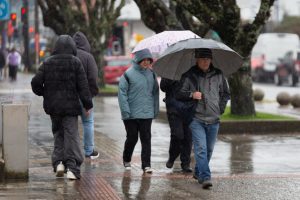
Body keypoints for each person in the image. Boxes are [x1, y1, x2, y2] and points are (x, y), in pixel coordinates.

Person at [31, 35, 93, 180]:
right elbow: (83, 87)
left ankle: (59, 163)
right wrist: (87, 104)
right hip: (71, 107)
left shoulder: (47, 62)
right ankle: (72, 168)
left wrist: (45, 93)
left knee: (58, 134)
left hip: (53, 107)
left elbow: (35, 83)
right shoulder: (76, 62)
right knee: (71, 136)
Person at [176, 48, 230, 189]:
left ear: (211, 60)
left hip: (214, 119)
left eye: (208, 59)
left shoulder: (218, 74)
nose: (205, 61)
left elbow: (225, 93)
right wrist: (192, 95)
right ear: (197, 60)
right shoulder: (189, 75)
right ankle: (206, 177)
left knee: (209, 149)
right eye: (202, 59)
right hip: (196, 119)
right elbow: (179, 93)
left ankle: (198, 172)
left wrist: (221, 108)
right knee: (201, 149)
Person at [118, 48, 159, 173]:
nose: (146, 62)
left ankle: (146, 165)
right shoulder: (127, 75)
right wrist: (126, 112)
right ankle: (126, 159)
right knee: (132, 138)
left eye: (148, 60)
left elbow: (155, 93)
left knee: (146, 138)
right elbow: (122, 94)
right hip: (130, 114)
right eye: (144, 60)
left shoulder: (152, 74)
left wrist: (155, 110)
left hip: (147, 113)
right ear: (138, 60)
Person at [73, 31, 99, 160]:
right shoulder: (88, 57)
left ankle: (73, 151)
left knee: (71, 124)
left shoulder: (69, 55)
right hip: (85, 96)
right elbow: (93, 78)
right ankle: (89, 151)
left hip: (70, 97)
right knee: (88, 122)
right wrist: (91, 96)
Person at [160, 78, 192, 173]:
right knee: (177, 135)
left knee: (188, 137)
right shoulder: (170, 72)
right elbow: (163, 87)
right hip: (174, 109)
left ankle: (185, 164)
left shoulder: (192, 72)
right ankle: (172, 157)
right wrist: (173, 79)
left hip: (189, 109)